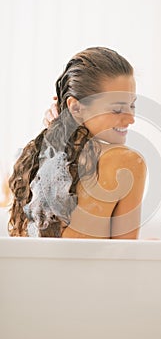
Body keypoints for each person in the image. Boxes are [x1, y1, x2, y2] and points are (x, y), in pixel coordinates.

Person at [8, 46, 146, 239]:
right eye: (117, 109)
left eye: (132, 105)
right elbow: (124, 257)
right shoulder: (126, 161)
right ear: (76, 107)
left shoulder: (32, 157)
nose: (131, 119)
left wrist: (67, 121)